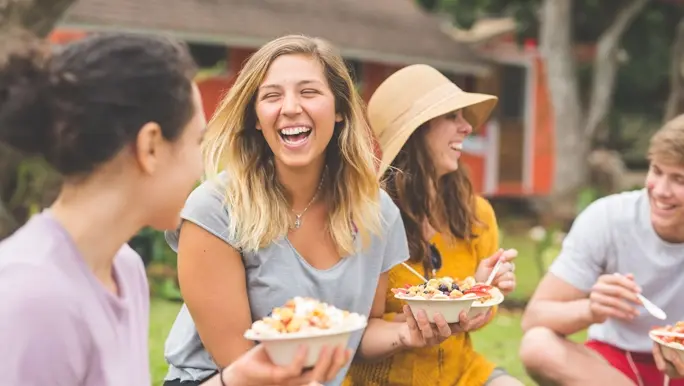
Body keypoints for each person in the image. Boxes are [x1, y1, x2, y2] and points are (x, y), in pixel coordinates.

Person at [0, 32, 345, 386]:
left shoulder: (124, 270)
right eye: (197, 141)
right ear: (151, 147)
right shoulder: (33, 297)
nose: (202, 169)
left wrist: (235, 380)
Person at [161, 35, 488, 386]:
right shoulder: (215, 210)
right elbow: (243, 367)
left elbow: (362, 332)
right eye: (272, 96)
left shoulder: (375, 213)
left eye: (308, 92)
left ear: (340, 111)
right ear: (256, 117)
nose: (289, 107)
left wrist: (410, 333)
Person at [344, 64, 522, 386]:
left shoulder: (478, 213)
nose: (467, 127)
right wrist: (405, 330)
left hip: (462, 375)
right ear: (417, 130)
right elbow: (356, 336)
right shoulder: (369, 218)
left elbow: (475, 320)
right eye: (452, 116)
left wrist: (480, 291)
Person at [519, 114, 684, 385]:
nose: (661, 191)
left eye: (679, 179)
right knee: (537, 345)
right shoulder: (609, 218)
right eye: (657, 171)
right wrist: (592, 309)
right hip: (613, 369)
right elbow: (534, 318)